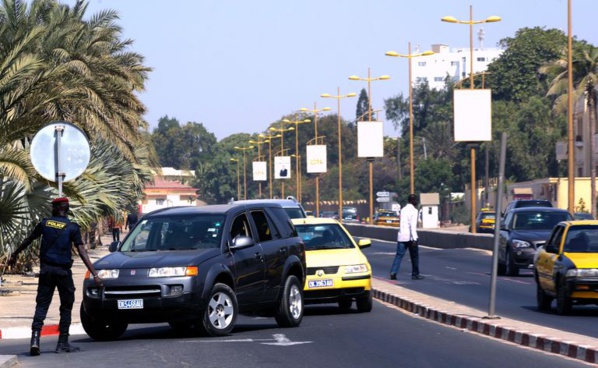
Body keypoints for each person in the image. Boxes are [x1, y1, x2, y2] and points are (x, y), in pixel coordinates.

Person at [7, 197, 103, 356]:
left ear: (57, 208)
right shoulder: (72, 227)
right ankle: (63, 343)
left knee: (42, 305)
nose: (51, 208)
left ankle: (35, 340)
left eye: (52, 206)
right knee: (66, 305)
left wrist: (14, 255)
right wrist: (95, 273)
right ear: (65, 209)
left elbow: (29, 239)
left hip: (46, 271)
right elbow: (82, 251)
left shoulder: (45, 224)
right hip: (63, 272)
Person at [390, 194, 424, 280]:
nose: (416, 202)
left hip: (402, 236)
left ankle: (393, 272)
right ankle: (415, 274)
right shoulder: (414, 211)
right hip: (410, 237)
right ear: (412, 201)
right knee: (414, 256)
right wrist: (414, 239)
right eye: (415, 200)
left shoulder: (403, 210)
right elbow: (412, 226)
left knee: (399, 255)